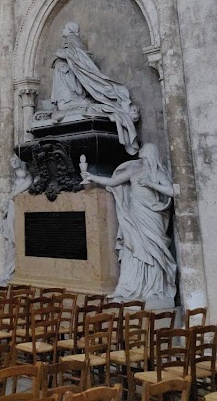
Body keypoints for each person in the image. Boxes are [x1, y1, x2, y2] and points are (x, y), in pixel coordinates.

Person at [81, 142, 176, 303]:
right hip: (135, 213)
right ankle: (131, 287)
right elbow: (113, 181)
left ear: (151, 152)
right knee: (132, 249)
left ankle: (153, 288)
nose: (141, 149)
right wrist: (92, 177)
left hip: (151, 214)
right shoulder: (133, 169)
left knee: (153, 250)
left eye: (145, 147)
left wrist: (150, 184)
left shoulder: (157, 173)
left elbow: (171, 191)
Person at [50, 21, 140, 154]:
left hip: (69, 97)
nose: (61, 29)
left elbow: (80, 65)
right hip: (68, 97)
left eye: (64, 27)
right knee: (78, 106)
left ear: (69, 30)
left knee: (78, 107)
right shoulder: (70, 48)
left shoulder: (70, 44)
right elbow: (81, 63)